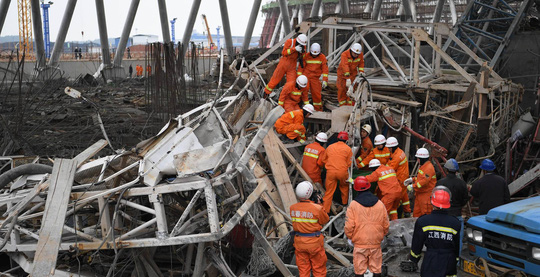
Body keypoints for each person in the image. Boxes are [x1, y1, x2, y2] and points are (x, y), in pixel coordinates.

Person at [407, 186, 460, 277]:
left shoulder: (423, 222)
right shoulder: (455, 223)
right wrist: (455, 260)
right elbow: (456, 246)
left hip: (431, 261)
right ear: (448, 203)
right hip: (449, 262)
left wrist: (414, 259)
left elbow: (417, 244)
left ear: (432, 202)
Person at [345, 176, 389, 277]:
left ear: (356, 189)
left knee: (359, 270)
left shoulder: (353, 205)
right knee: (376, 269)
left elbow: (349, 226)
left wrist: (350, 237)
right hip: (376, 242)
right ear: (369, 187)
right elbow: (386, 223)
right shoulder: (380, 204)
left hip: (360, 243)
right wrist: (382, 235)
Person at [290, 181, 329, 277]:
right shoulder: (317, 208)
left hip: (299, 243)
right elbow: (325, 220)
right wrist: (320, 204)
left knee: (303, 270)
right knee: (318, 269)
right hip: (314, 243)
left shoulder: (293, 208)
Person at [437, 158, 469, 254]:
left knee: (441, 240)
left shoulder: (440, 183)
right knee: (457, 241)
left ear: (446, 170)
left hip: (443, 216)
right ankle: (456, 262)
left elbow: (436, 199)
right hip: (457, 215)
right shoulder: (462, 184)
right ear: (456, 171)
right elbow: (465, 200)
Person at [318, 131, 353, 213]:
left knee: (329, 192)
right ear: (346, 140)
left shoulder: (330, 147)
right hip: (342, 172)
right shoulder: (348, 149)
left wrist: (332, 164)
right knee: (344, 187)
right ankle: (344, 205)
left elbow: (323, 159)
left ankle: (325, 211)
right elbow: (349, 163)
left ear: (337, 138)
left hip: (330, 172)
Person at [404, 148, 437, 217]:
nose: (417, 160)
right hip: (420, 194)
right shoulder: (423, 167)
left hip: (426, 196)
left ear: (423, 159)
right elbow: (421, 178)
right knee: (416, 214)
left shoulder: (428, 168)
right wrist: (412, 179)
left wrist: (413, 186)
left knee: (425, 215)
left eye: (418, 158)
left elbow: (424, 181)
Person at [297, 43, 329, 111]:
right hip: (306, 77)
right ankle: (305, 108)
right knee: (304, 93)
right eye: (313, 53)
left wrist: (325, 80)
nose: (314, 55)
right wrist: (299, 78)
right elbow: (301, 67)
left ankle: (318, 110)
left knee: (317, 95)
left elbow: (325, 69)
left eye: (316, 54)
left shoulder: (322, 57)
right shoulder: (306, 56)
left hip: (315, 78)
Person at [386, 137, 411, 218]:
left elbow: (390, 168)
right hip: (403, 178)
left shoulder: (397, 156)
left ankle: (396, 219)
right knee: (404, 196)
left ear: (392, 147)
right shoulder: (399, 152)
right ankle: (407, 211)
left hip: (400, 180)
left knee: (395, 203)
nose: (388, 150)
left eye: (389, 148)